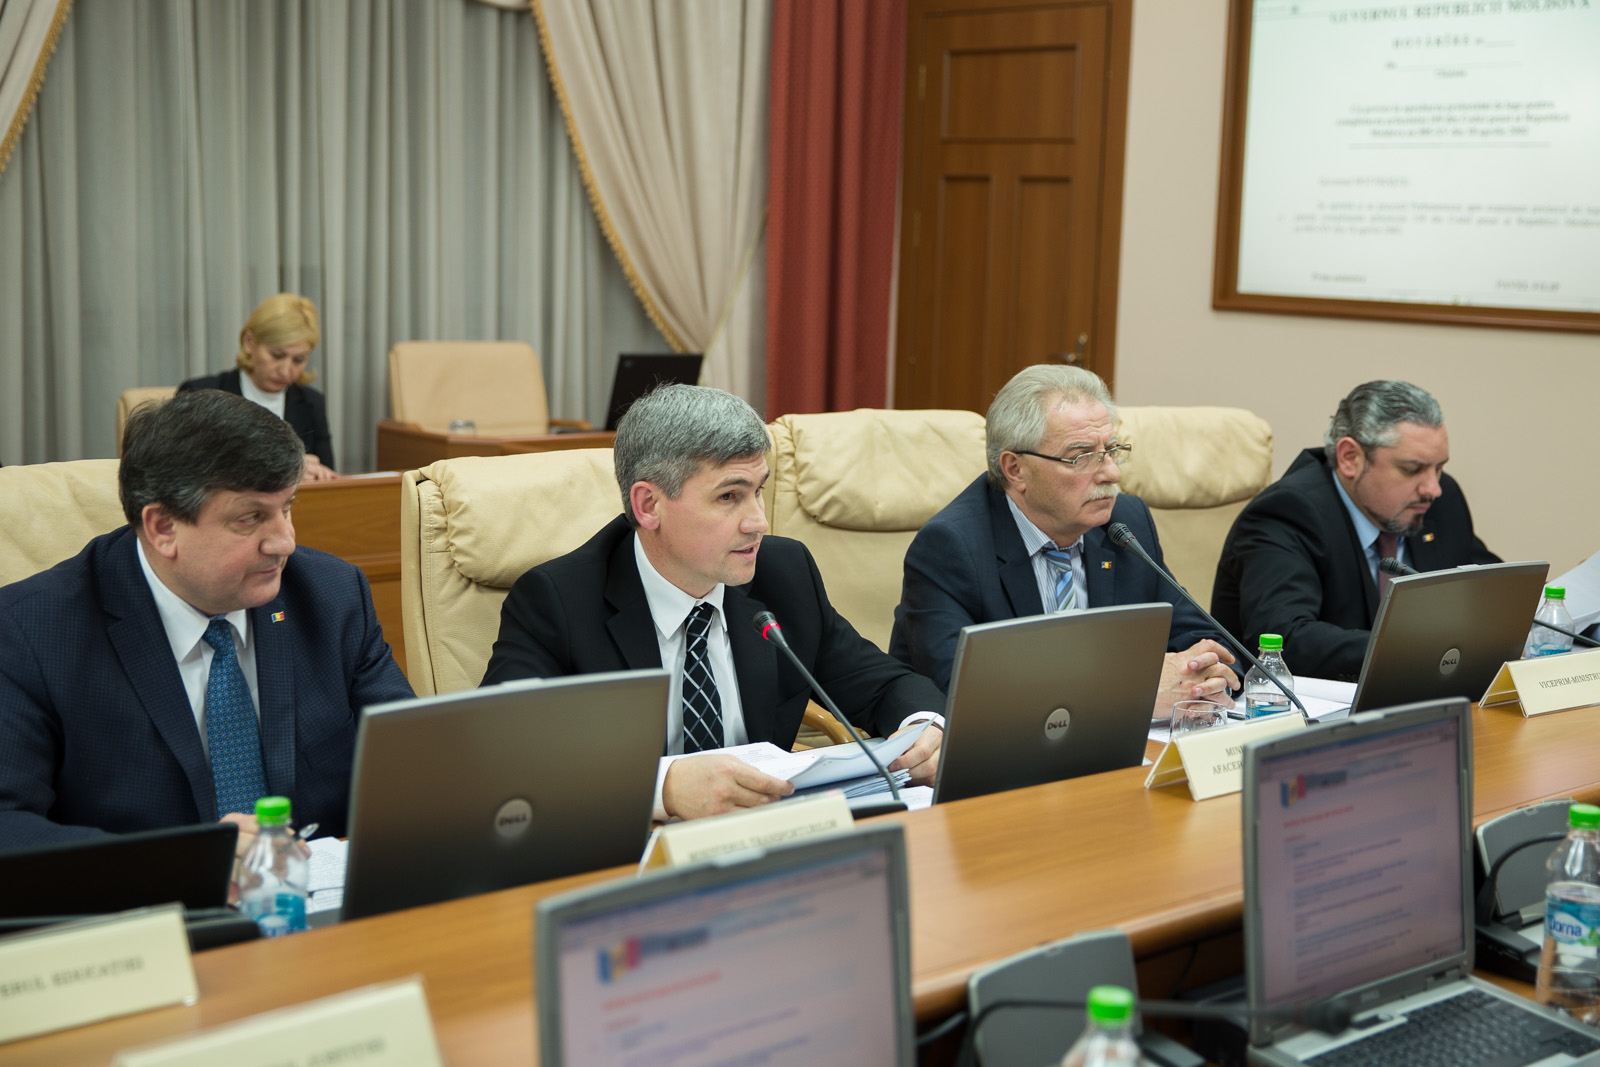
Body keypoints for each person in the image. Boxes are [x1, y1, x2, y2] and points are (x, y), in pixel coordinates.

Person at [482, 384, 946, 821]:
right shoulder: (558, 601)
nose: (758, 522)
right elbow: (502, 754)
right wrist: (662, 787)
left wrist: (925, 727)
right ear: (648, 505)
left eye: (758, 491)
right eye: (729, 496)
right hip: (633, 849)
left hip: (770, 839)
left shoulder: (784, 575)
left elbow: (884, 684)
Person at [0, 390, 411, 851]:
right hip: (151, 894)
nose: (285, 542)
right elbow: (7, 826)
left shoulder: (330, 596)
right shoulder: (31, 632)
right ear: (163, 528)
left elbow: (412, 759)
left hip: (318, 885)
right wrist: (191, 860)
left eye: (287, 507)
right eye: (251, 518)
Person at [889, 365, 1238, 719]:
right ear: (1015, 469)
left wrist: (1203, 680)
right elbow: (964, 693)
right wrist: (1133, 692)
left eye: (1112, 450)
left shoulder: (1123, 523)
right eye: (1081, 456)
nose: (1111, 473)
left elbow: (1207, 641)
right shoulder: (951, 547)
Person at [1211, 380, 1499, 681]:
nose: (1432, 488)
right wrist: (1416, 649)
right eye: (1412, 469)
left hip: (1426, 695)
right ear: (1350, 458)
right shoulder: (1288, 512)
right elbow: (1285, 639)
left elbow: (1492, 588)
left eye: (1438, 468)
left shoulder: (1439, 501)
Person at [179, 292, 338, 481]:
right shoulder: (199, 395)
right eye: (277, 355)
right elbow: (182, 474)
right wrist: (286, 469)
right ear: (249, 342)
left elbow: (328, 477)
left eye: (298, 360)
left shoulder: (311, 403)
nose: (285, 371)